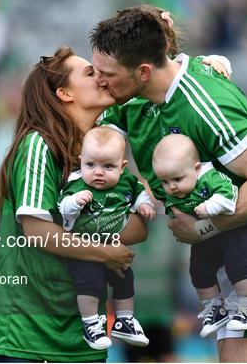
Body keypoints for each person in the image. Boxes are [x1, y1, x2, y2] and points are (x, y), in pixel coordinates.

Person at [90, 6, 247, 362]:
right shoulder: (133, 97)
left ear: (143, 71)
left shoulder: (206, 104)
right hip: (231, 256)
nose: (98, 81)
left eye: (107, 74)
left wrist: (203, 228)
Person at [0, 47, 147, 363]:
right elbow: (38, 232)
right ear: (65, 93)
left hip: (82, 336)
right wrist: (105, 251)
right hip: (27, 334)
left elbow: (137, 227)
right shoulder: (39, 145)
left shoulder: (101, 155)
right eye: (89, 72)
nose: (101, 77)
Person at [152, 134, 247, 336]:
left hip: (233, 232)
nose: (172, 186)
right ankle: (215, 310)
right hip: (207, 237)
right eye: (165, 181)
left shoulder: (210, 178)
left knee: (240, 269)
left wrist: (210, 206)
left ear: (197, 169)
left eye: (177, 179)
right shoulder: (176, 191)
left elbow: (230, 196)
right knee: (198, 271)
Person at [58, 126, 154, 349]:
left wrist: (144, 205)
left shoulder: (127, 181)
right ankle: (91, 324)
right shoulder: (76, 183)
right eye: (91, 165)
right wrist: (75, 202)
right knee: (89, 284)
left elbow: (139, 192)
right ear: (81, 162)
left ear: (122, 167)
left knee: (125, 279)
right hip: (84, 250)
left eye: (108, 166)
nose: (98, 172)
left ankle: (124, 320)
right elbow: (62, 208)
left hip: (114, 246)